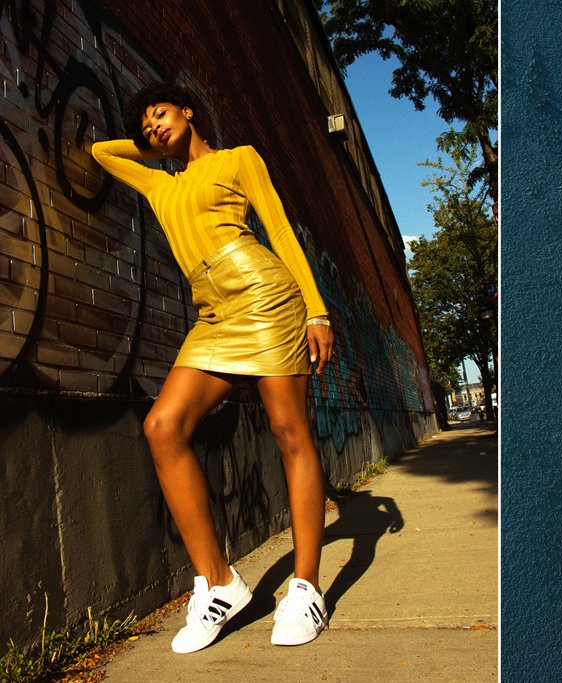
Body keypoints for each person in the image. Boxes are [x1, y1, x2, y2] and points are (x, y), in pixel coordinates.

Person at [91, 82, 334, 653]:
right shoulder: (157, 183)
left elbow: (277, 229)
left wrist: (317, 310)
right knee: (163, 426)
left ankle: (306, 588)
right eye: (145, 125)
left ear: (188, 110)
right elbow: (103, 151)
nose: (152, 126)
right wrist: (154, 148)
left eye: (160, 113)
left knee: (288, 432)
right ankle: (220, 583)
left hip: (264, 295)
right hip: (212, 313)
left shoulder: (238, 159)